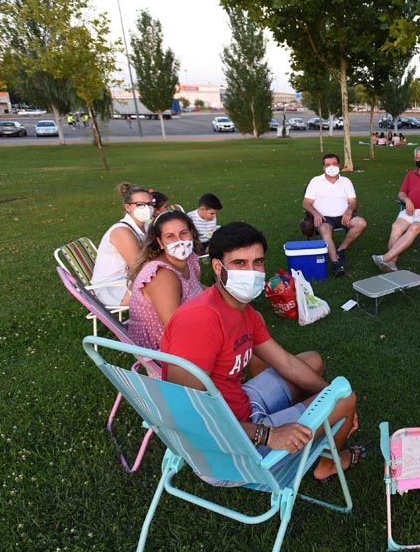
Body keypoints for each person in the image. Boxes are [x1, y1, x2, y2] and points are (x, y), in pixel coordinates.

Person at [161, 222, 364, 482]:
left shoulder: (244, 311)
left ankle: (311, 418)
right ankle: (327, 464)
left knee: (312, 362)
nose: (252, 271)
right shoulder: (199, 321)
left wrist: (326, 393)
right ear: (217, 267)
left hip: (241, 408)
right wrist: (268, 434)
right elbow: (188, 414)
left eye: (257, 262)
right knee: (345, 400)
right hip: (229, 448)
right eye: (240, 263)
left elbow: (287, 363)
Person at [127, 210, 204, 349]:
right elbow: (176, 329)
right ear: (160, 242)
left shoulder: (189, 260)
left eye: (184, 233)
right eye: (170, 236)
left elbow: (195, 287)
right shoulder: (162, 275)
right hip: (164, 350)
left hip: (188, 331)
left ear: (192, 234)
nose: (179, 241)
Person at [302, 153, 367, 277]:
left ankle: (341, 249)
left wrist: (349, 211)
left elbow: (353, 201)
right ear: (323, 167)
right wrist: (315, 214)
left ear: (339, 165)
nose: (331, 167)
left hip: (344, 216)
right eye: (328, 165)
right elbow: (306, 203)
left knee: (361, 223)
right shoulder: (316, 181)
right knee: (325, 230)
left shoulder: (346, 181)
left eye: (334, 164)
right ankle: (336, 263)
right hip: (324, 218)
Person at [91, 182, 152, 306]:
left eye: (150, 204)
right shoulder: (122, 232)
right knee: (165, 287)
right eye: (140, 204)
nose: (147, 208)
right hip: (111, 288)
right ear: (128, 207)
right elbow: (140, 267)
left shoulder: (145, 226)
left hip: (128, 279)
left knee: (171, 282)